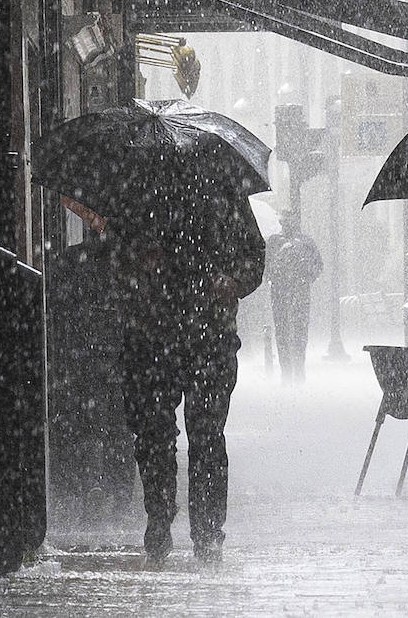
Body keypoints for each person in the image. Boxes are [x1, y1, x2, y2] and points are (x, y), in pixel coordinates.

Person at [115, 181, 265, 566]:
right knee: (157, 436)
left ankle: (206, 533)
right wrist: (137, 262)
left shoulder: (221, 197)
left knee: (204, 438)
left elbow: (253, 256)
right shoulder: (141, 197)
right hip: (158, 337)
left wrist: (232, 282)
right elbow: (115, 257)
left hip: (203, 337)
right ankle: (162, 522)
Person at [265, 209, 323, 384]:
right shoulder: (275, 242)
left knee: (298, 330)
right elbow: (266, 266)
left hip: (298, 291)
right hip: (282, 291)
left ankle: (298, 368)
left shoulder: (305, 242)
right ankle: (287, 371)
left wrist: (306, 276)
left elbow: (318, 265)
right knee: (283, 330)